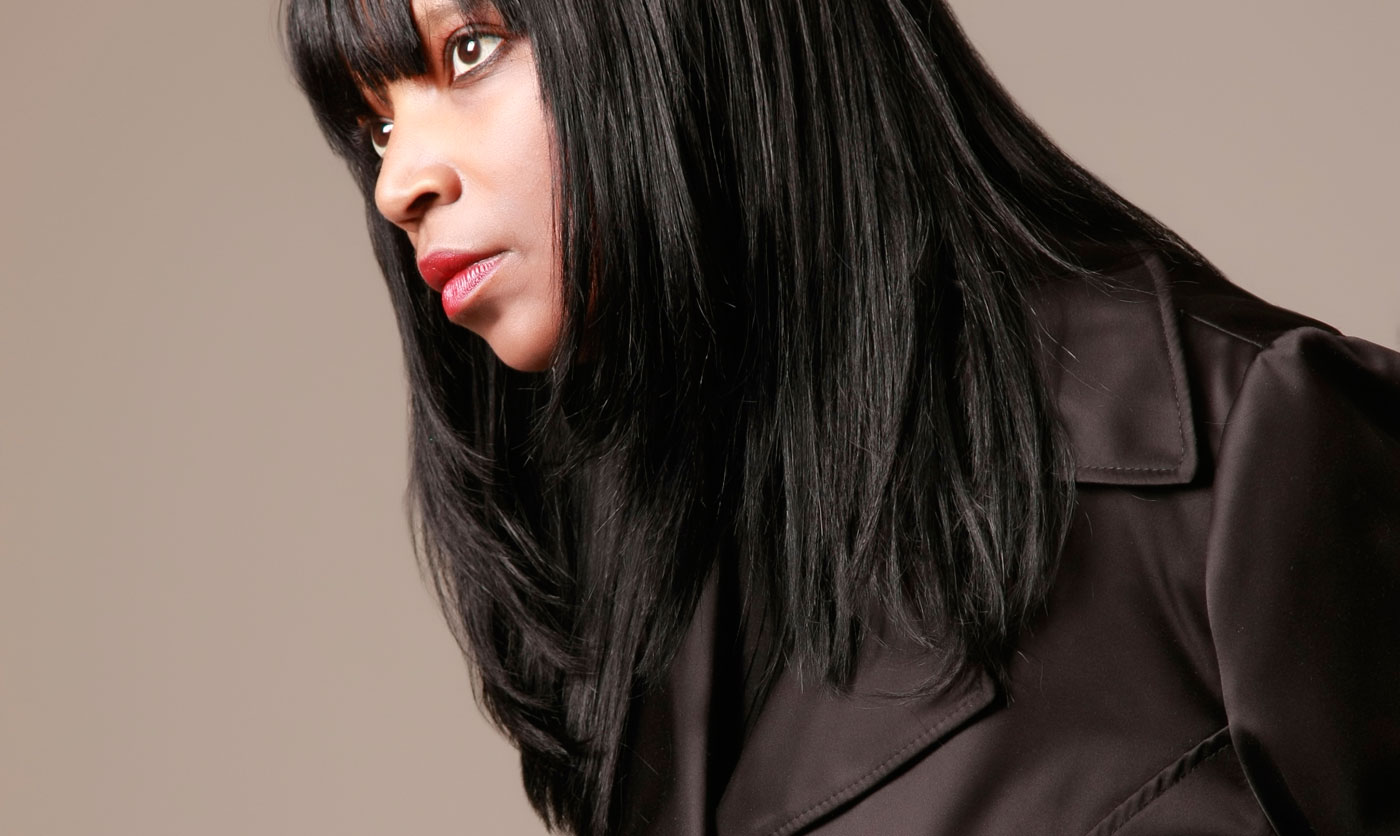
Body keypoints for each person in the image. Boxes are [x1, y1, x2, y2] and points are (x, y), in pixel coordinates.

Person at [282, 0, 1400, 833]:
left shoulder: (1256, 450)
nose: (398, 182)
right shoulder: (633, 623)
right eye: (373, 126)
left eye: (469, 49)